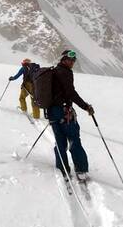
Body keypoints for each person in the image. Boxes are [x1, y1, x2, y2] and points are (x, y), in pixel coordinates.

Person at [48, 50, 94, 180]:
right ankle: (81, 170)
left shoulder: (54, 71)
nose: (72, 62)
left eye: (74, 60)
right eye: (70, 59)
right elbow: (71, 93)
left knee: (59, 141)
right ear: (63, 59)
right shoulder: (65, 72)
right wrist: (85, 106)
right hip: (64, 112)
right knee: (74, 139)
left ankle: (62, 168)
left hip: (52, 113)